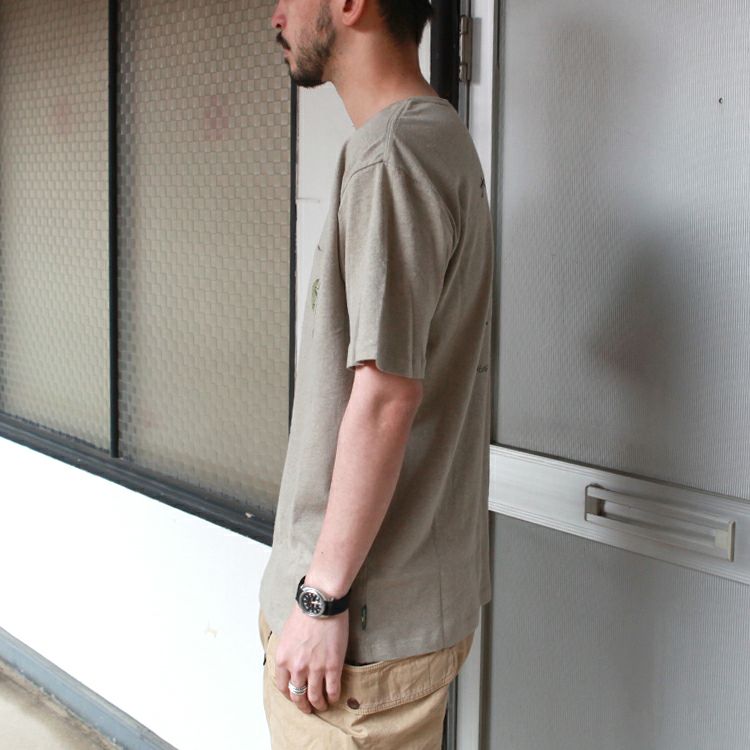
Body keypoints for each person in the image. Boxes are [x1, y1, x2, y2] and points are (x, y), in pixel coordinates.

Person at [258, 1, 494, 746]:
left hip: (355, 637)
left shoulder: (393, 155)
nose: (276, 16)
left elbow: (387, 396)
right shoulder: (436, 136)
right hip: (388, 613)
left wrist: (320, 599)